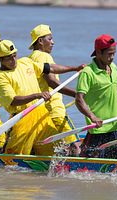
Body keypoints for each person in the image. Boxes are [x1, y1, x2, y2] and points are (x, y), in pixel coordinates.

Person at [0, 40, 83, 155]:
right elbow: (13, 101)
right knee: (13, 155)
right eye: (9, 58)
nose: (13, 60)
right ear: (0, 60)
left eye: (14, 56)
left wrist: (74, 68)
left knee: (56, 150)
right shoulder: (0, 77)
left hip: (42, 114)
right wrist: (37, 95)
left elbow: (50, 68)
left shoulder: (25, 62)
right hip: (22, 118)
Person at [28, 24, 81, 156]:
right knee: (75, 144)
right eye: (50, 39)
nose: (53, 42)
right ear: (40, 41)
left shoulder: (31, 58)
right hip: (55, 110)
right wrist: (77, 95)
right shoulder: (44, 56)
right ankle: (78, 170)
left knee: (58, 145)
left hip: (42, 111)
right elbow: (52, 82)